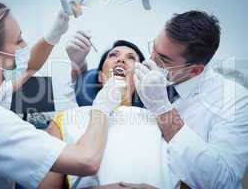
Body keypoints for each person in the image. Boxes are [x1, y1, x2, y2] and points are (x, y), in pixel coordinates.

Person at [0, 2, 122, 189]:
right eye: (18, 40)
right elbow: (86, 160)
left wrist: (56, 31)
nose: (25, 45)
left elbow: (29, 67)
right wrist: (102, 107)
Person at [66, 11, 248, 188]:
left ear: (194, 70)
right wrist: (78, 65)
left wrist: (162, 109)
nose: (150, 60)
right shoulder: (75, 118)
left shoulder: (233, 100)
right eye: (153, 48)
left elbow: (226, 183)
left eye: (163, 59)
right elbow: (82, 93)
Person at [47, 40, 168, 189]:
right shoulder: (65, 119)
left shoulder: (163, 123)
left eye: (131, 57)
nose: (121, 59)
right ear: (99, 77)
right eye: (113, 55)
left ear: (141, 77)